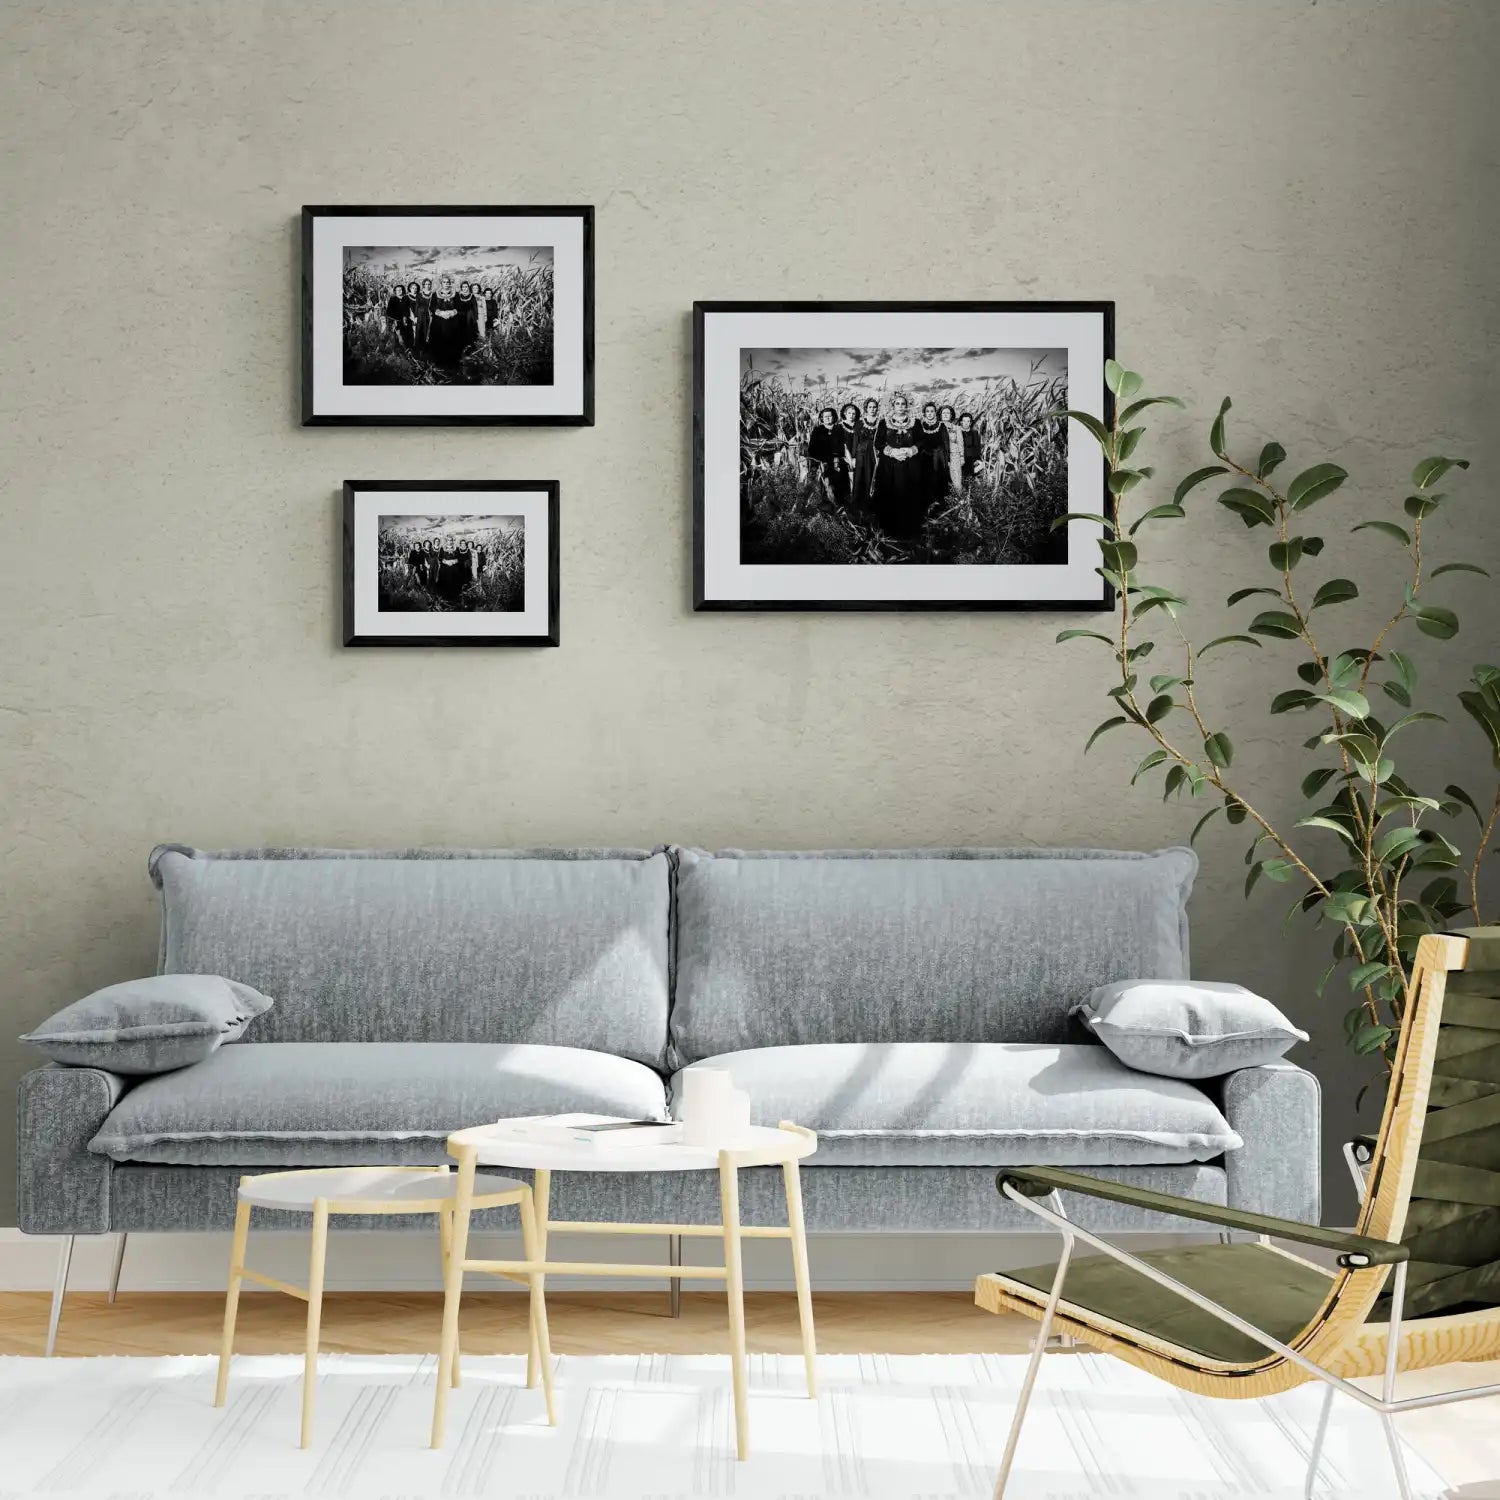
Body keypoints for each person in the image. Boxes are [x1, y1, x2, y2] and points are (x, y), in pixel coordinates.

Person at [871, 394, 924, 538]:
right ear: (892, 406)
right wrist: (891, 451)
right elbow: (878, 443)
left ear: (906, 406)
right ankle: (889, 528)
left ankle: (909, 529)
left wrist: (910, 450)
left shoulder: (916, 422)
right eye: (897, 404)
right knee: (890, 493)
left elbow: (921, 441)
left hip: (910, 465)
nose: (900, 406)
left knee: (909, 493)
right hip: (890, 465)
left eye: (903, 404)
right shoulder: (884, 423)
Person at [426, 274, 463, 370]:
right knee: (439, 340)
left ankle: (452, 363)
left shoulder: (456, 294)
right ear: (441, 283)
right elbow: (432, 307)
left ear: (450, 283)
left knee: (452, 340)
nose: (446, 284)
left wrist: (452, 312)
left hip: (452, 323)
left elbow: (459, 307)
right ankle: (439, 362)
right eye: (444, 282)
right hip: (439, 323)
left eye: (448, 282)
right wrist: (440, 313)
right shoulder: (435, 294)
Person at [914, 401, 947, 506]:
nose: (929, 413)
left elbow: (945, 443)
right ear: (924, 413)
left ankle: (937, 506)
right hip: (923, 458)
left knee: (936, 480)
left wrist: (947, 459)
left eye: (932, 411)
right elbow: (916, 442)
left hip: (938, 458)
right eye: (927, 411)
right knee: (923, 481)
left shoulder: (941, 426)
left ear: (935, 413)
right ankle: (924, 505)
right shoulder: (920, 425)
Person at [852, 397, 880, 511]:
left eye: (874, 407)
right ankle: (856, 506)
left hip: (874, 454)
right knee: (859, 477)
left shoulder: (880, 422)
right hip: (861, 453)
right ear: (866, 409)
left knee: (871, 477)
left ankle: (869, 504)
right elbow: (855, 440)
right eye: (870, 407)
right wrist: (853, 457)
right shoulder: (859, 423)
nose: (872, 409)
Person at [805, 407, 840, 501]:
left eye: (830, 416)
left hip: (837, 461)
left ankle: (837, 505)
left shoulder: (839, 429)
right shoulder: (817, 430)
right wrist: (819, 461)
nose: (828, 418)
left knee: (837, 486)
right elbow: (811, 448)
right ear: (822, 418)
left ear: (834, 417)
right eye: (826, 416)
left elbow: (843, 446)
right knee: (825, 484)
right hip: (821, 461)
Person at [834, 403, 861, 507]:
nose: (851, 415)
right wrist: (849, 459)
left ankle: (855, 504)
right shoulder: (839, 427)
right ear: (844, 414)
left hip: (858, 458)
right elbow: (842, 446)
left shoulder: (859, 427)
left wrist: (857, 459)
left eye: (854, 414)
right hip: (844, 458)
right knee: (845, 484)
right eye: (849, 413)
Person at [939, 403, 965, 497]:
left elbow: (960, 443)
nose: (945, 415)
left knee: (957, 481)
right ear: (940, 415)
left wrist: (962, 457)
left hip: (954, 456)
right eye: (943, 413)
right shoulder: (936, 427)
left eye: (948, 413)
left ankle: (960, 502)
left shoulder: (957, 428)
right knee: (941, 480)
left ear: (951, 415)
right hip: (940, 457)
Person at [959, 411, 982, 487]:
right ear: (961, 422)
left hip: (970, 459)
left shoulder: (974, 433)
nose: (966, 423)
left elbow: (977, 447)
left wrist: (976, 459)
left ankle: (968, 496)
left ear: (970, 423)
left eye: (968, 421)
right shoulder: (957, 432)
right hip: (959, 458)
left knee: (969, 480)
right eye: (964, 421)